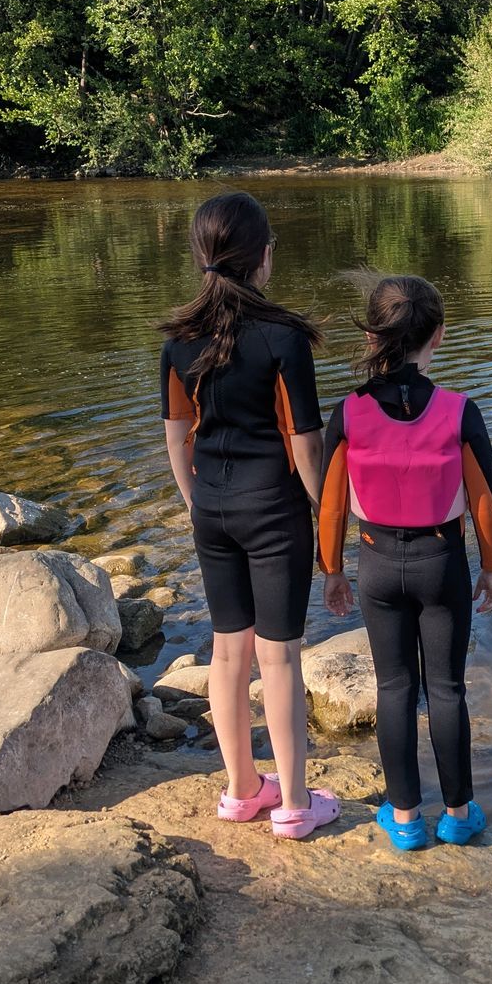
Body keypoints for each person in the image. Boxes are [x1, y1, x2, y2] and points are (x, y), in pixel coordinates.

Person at [159, 192, 339, 840]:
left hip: (212, 510)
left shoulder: (179, 341)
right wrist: (327, 519)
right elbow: (306, 445)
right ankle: (294, 804)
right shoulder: (284, 337)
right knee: (281, 658)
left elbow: (178, 438)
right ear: (263, 257)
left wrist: (196, 501)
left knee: (228, 653)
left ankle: (241, 791)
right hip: (274, 512)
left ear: (203, 257)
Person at [318, 274, 492, 852]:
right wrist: (491, 567)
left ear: (373, 337)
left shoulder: (348, 412)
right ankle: (458, 813)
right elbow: (486, 502)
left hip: (375, 564)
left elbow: (328, 504)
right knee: (446, 689)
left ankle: (403, 818)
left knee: (394, 686)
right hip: (441, 563)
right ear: (439, 337)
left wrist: (331, 570)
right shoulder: (458, 411)